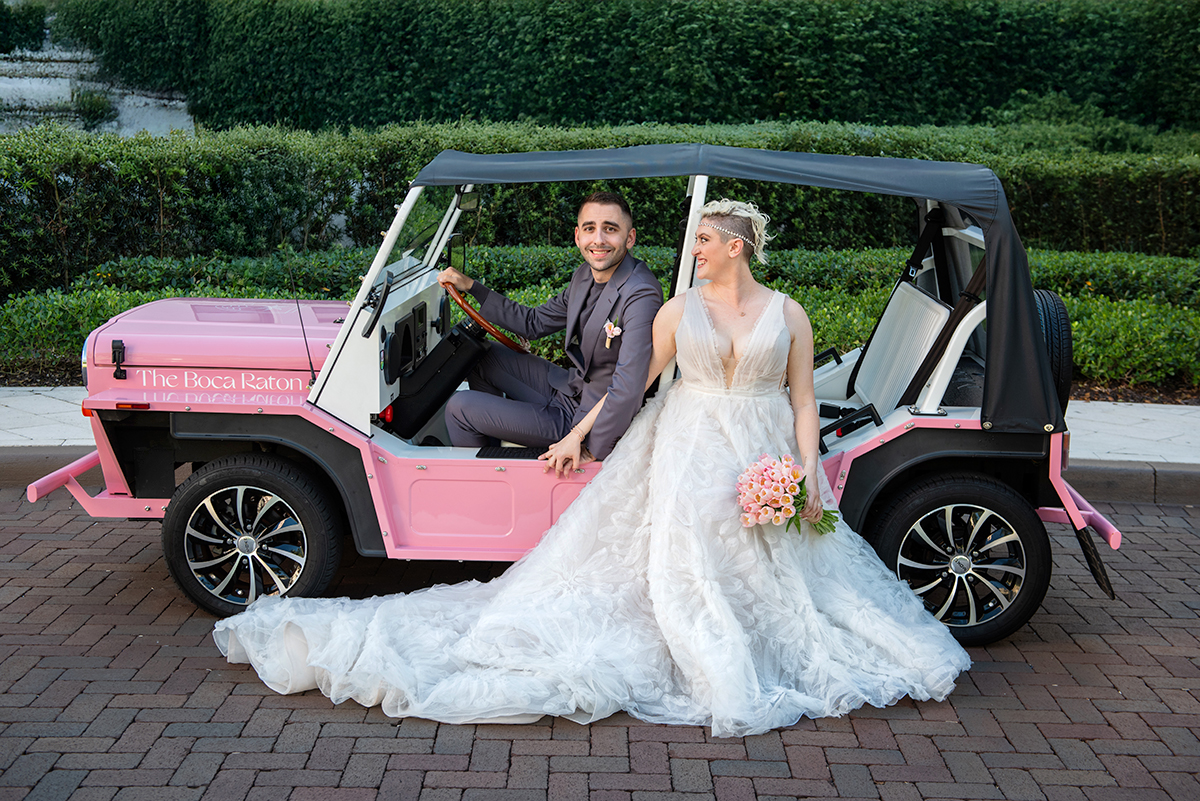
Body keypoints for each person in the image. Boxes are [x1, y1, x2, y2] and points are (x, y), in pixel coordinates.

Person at [213, 200, 971, 738]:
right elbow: (635, 386)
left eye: (705, 238)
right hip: (691, 439)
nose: (696, 248)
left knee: (786, 572)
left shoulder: (789, 312)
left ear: (737, 246)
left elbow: (804, 402)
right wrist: (580, 431)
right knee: (689, 551)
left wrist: (806, 473)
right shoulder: (679, 308)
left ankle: (745, 638)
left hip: (764, 441)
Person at [437, 191, 663, 460]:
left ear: (630, 237)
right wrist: (473, 287)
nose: (599, 239)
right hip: (568, 387)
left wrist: (589, 449)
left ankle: (481, 485)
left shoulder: (641, 292)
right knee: (479, 356)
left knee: (460, 407)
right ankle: (493, 454)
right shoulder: (584, 275)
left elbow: (629, 386)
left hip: (584, 420)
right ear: (578, 236)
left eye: (610, 229)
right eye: (590, 229)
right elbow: (533, 322)